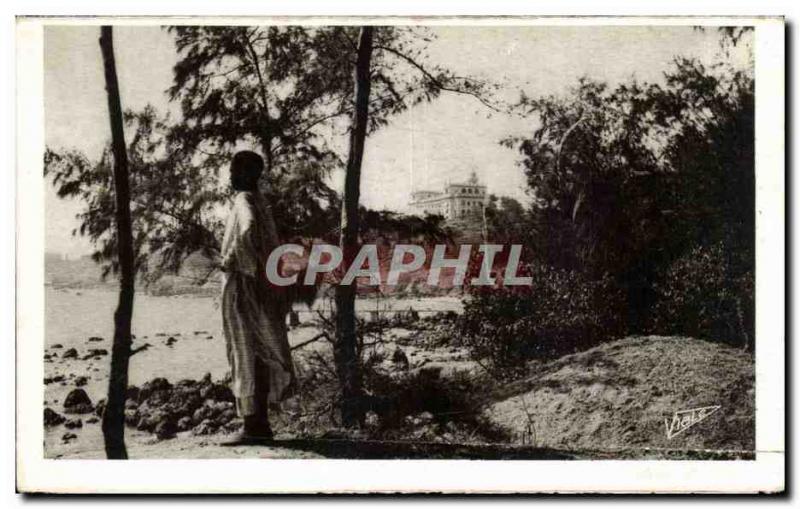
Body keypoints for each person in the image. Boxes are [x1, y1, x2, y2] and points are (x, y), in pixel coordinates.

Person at [220, 150, 296, 441]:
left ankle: (253, 426)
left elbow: (248, 228)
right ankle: (260, 424)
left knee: (244, 351)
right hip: (262, 287)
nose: (229, 176)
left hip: (244, 288)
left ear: (243, 174)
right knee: (262, 351)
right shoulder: (260, 202)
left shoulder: (243, 201)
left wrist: (230, 259)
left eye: (233, 171)